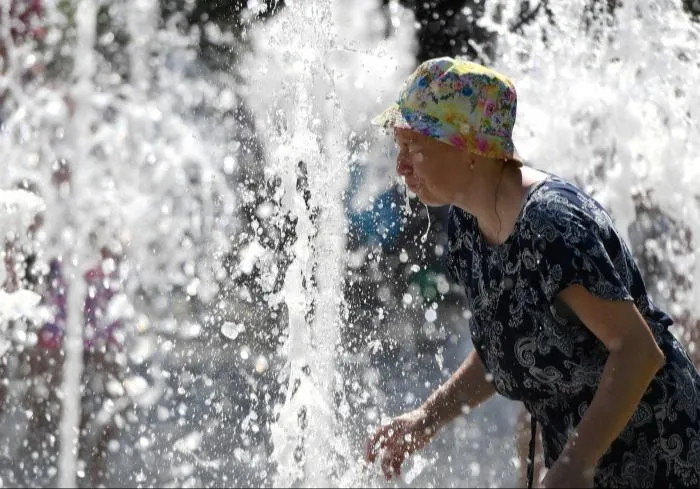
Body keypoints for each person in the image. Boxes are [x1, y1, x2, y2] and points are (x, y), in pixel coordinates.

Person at [364, 57, 700, 488]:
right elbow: (505, 349)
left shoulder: (551, 226)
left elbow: (638, 352)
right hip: (592, 456)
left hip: (661, 450)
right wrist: (425, 419)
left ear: (469, 148)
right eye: (398, 147)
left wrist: (577, 462)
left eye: (414, 147)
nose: (400, 166)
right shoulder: (468, 225)